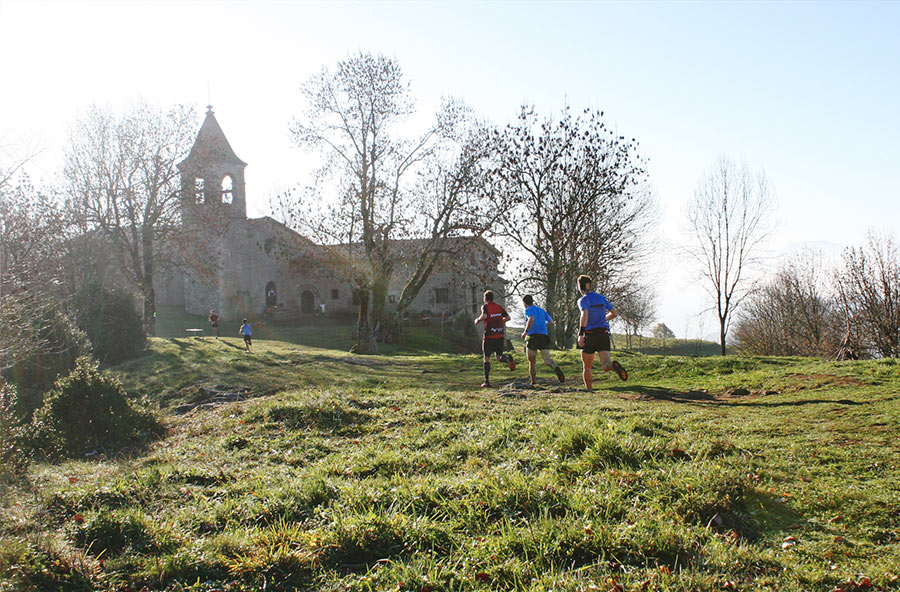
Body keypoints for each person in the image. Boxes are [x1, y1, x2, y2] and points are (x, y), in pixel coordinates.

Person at [576, 275, 627, 390]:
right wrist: (603, 319)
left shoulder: (583, 300)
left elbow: (584, 314)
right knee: (605, 365)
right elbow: (614, 313)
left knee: (587, 366)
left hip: (590, 334)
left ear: (580, 287)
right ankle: (613, 366)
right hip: (603, 334)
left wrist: (580, 334)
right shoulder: (601, 298)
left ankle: (589, 390)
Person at [520, 295, 565, 385]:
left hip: (533, 337)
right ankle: (557, 370)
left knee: (532, 361)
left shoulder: (528, 310)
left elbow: (531, 318)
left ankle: (533, 382)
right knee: (547, 360)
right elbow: (551, 322)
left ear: (524, 303)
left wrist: (525, 332)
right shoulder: (541, 310)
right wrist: (542, 324)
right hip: (543, 336)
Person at [474, 290, 515, 387]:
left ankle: (487, 381)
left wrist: (477, 320)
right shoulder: (499, 307)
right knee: (499, 357)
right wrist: (500, 322)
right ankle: (508, 359)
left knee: (486, 358)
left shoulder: (485, 307)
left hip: (489, 336)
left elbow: (484, 316)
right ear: (493, 298)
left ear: (485, 299)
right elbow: (508, 318)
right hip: (500, 335)